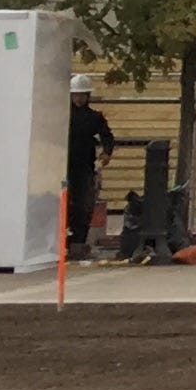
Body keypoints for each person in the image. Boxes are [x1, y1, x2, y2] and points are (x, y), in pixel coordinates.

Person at [64, 73, 118, 255]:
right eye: (75, 95)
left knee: (83, 205)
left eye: (82, 95)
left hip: (85, 167)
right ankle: (63, 241)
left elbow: (108, 137)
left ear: (88, 96)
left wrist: (105, 154)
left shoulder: (94, 117)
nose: (78, 98)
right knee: (64, 204)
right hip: (62, 166)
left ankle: (78, 242)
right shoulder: (62, 116)